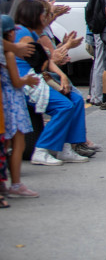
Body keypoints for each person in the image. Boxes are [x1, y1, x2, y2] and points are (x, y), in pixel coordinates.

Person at [14, 0, 90, 166]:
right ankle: (41, 150)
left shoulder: (32, 34)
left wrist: (62, 75)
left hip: (35, 78)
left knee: (76, 100)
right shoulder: (23, 34)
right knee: (64, 106)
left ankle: (66, 146)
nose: (47, 18)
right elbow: (42, 62)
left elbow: (47, 60)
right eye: (45, 15)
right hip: (26, 82)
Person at [1, 14, 42, 199]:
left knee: (6, 143)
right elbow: (16, 82)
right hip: (13, 101)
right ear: (9, 34)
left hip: (5, 102)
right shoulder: (9, 54)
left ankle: (4, 182)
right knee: (19, 143)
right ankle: (16, 183)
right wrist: (27, 80)